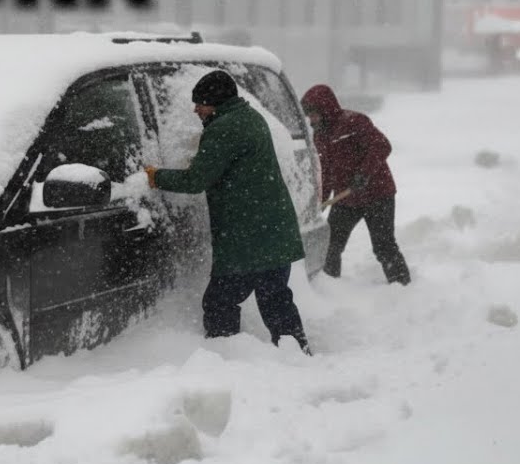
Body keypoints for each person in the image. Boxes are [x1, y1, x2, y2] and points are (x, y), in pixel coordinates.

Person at [145, 70, 311, 354]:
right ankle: (298, 354)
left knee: (220, 302)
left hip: (247, 239)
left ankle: (225, 357)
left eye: (201, 103)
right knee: (276, 300)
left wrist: (156, 177)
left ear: (216, 102)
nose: (196, 109)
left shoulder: (224, 128)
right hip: (271, 230)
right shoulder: (249, 117)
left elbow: (196, 180)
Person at [301, 84, 411, 285]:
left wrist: (364, 174)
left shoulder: (354, 122)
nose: (311, 120)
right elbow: (326, 172)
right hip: (347, 200)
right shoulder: (320, 136)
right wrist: (320, 201)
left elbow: (382, 145)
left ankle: (402, 286)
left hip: (378, 195)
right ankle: (330, 287)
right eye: (309, 116)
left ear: (325, 110)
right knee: (331, 245)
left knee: (383, 246)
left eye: (314, 114)